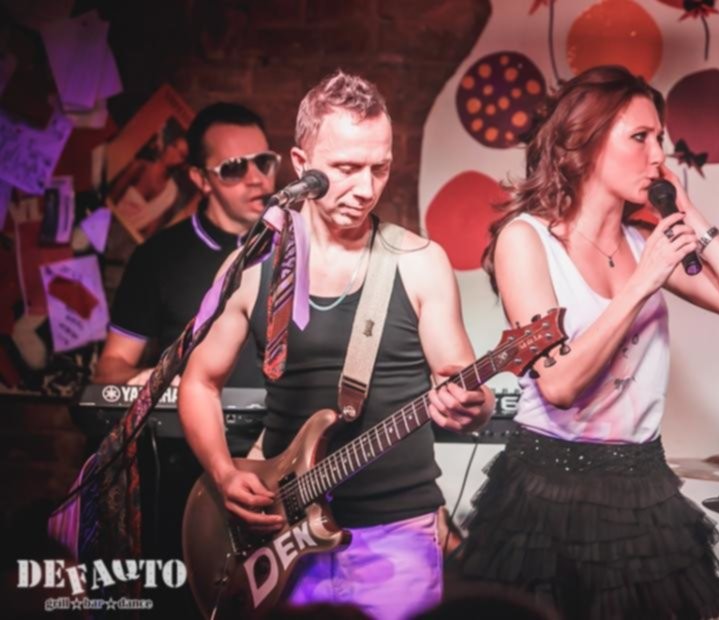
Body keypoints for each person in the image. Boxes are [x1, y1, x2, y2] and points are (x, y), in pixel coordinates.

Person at [456, 66, 719, 619]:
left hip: (641, 486)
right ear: (583, 143)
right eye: (640, 137)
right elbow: (559, 386)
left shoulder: (643, 240)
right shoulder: (527, 240)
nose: (659, 155)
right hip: (546, 489)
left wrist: (689, 213)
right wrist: (641, 282)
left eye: (660, 138)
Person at [178, 71, 494, 620]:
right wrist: (225, 475)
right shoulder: (253, 266)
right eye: (347, 168)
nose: (366, 189)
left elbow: (462, 381)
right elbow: (199, 382)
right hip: (280, 535)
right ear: (301, 165)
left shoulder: (419, 262)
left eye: (380, 168)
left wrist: (472, 403)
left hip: (395, 536)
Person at [95, 102, 278, 388]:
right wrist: (149, 380)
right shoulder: (157, 257)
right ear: (201, 179)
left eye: (263, 163)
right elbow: (109, 368)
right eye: (234, 168)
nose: (257, 179)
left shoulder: (299, 248)